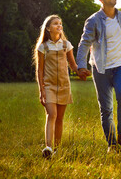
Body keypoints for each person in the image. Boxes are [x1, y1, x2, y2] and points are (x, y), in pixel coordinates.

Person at [76, 0, 121, 152]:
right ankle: (112, 144)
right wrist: (80, 65)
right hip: (100, 69)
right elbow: (84, 44)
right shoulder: (93, 20)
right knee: (106, 108)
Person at [34, 15, 89, 158]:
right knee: (51, 114)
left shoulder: (66, 45)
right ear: (48, 28)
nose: (59, 26)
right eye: (55, 24)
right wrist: (41, 90)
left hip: (64, 86)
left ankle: (57, 150)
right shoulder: (43, 47)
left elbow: (73, 65)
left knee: (60, 118)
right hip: (49, 86)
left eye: (60, 23)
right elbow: (39, 70)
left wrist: (81, 72)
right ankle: (48, 147)